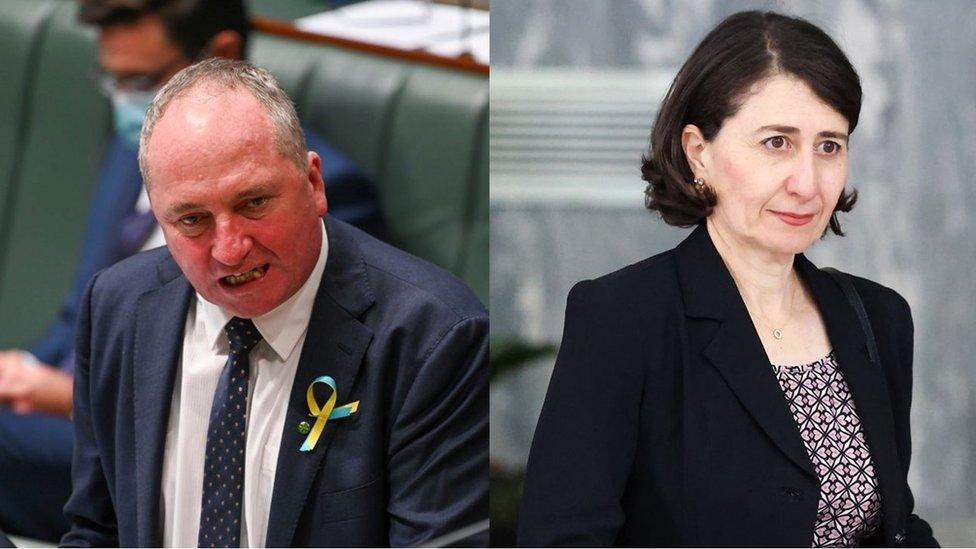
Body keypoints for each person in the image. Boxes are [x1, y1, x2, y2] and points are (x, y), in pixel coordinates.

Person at [518, 11, 937, 548]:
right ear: (699, 153)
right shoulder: (623, 318)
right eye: (776, 143)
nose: (807, 183)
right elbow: (562, 538)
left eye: (829, 145)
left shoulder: (879, 316)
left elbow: (894, 527)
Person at [59, 58, 487, 547]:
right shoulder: (117, 308)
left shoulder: (431, 339)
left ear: (314, 183)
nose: (229, 249)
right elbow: (96, 531)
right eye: (192, 220)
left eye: (254, 203)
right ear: (159, 217)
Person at [0, 0, 383, 541]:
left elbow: (266, 401)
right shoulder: (132, 150)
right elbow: (76, 315)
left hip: (175, 447)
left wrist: (62, 395)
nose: (124, 100)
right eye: (111, 80)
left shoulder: (325, 195)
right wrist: (20, 374)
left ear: (220, 53)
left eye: (139, 80)